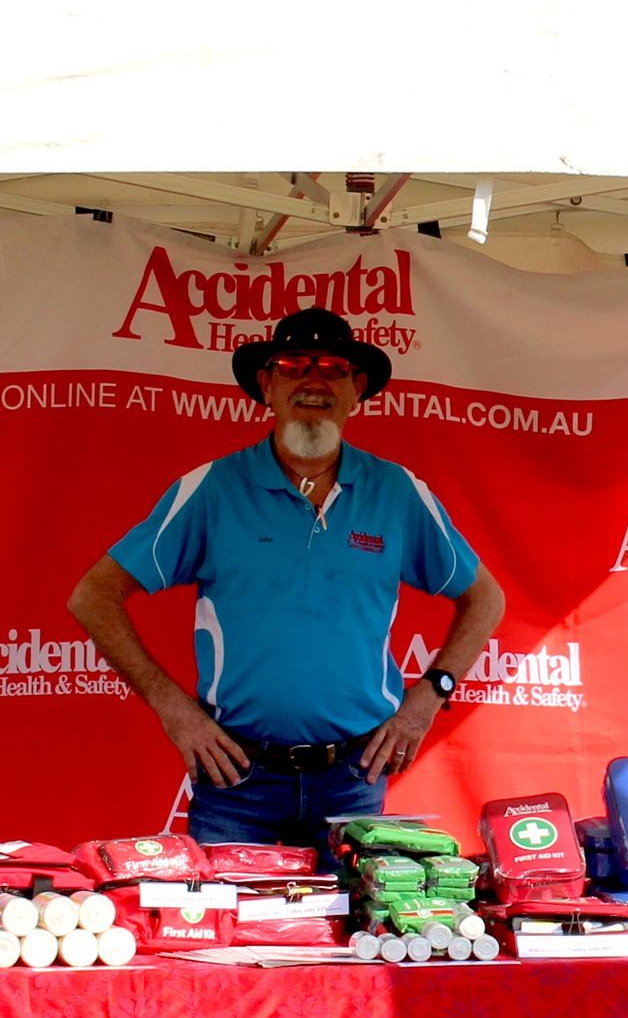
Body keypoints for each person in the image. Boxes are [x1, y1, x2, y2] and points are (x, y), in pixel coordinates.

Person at [68, 306, 504, 853]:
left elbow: (485, 597)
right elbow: (94, 595)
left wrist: (427, 700)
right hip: (237, 781)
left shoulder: (397, 491)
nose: (313, 380)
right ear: (267, 385)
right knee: (225, 938)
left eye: (333, 368)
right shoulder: (213, 489)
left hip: (355, 777)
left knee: (355, 937)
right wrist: (173, 708)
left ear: (357, 388)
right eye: (294, 365)